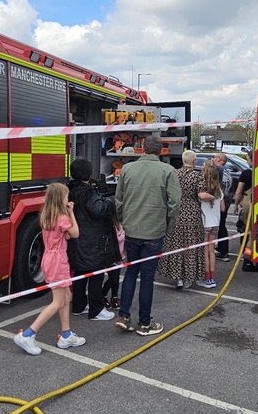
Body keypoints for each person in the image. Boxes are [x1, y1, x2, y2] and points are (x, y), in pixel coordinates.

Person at [114, 134, 181, 336]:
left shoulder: (127, 169)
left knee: (131, 273)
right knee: (147, 278)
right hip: (154, 231)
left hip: (132, 230)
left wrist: (123, 221)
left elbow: (119, 200)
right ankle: (145, 323)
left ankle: (124, 316)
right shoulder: (167, 171)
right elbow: (174, 203)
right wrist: (168, 225)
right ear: (160, 151)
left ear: (142, 148)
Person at [13, 183, 86, 354]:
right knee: (58, 301)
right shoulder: (62, 217)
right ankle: (28, 334)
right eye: (67, 197)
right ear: (61, 199)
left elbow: (62, 234)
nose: (69, 200)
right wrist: (71, 213)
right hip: (58, 261)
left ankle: (67, 334)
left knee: (66, 295)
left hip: (49, 258)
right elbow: (75, 233)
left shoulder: (47, 215)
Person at [66, 159, 117, 321]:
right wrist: (110, 202)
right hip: (93, 240)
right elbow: (98, 209)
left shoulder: (69, 189)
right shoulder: (88, 192)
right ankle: (96, 309)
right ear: (88, 173)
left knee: (80, 272)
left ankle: (78, 306)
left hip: (77, 238)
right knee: (96, 274)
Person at [158, 150, 206, 290]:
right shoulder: (197, 176)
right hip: (192, 216)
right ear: (194, 161)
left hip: (175, 213)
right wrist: (213, 197)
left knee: (176, 246)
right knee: (191, 246)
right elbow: (201, 195)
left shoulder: (173, 173)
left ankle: (178, 278)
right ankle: (188, 278)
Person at [233, 153, 258, 272]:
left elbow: (239, 191)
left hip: (248, 205)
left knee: (247, 232)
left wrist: (236, 205)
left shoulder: (246, 173)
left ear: (252, 159)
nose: (247, 162)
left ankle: (247, 260)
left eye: (248, 159)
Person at [196, 161, 223, 288]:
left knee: (205, 251)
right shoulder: (219, 190)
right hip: (215, 223)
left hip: (205, 223)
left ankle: (206, 277)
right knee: (211, 251)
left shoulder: (203, 190)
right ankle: (212, 277)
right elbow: (222, 208)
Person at [212, 153, 233, 261]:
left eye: (214, 157)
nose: (213, 159)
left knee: (219, 226)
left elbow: (215, 186)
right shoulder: (226, 171)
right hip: (227, 200)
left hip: (220, 201)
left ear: (220, 159)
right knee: (222, 224)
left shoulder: (217, 170)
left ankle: (223, 250)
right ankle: (222, 247)